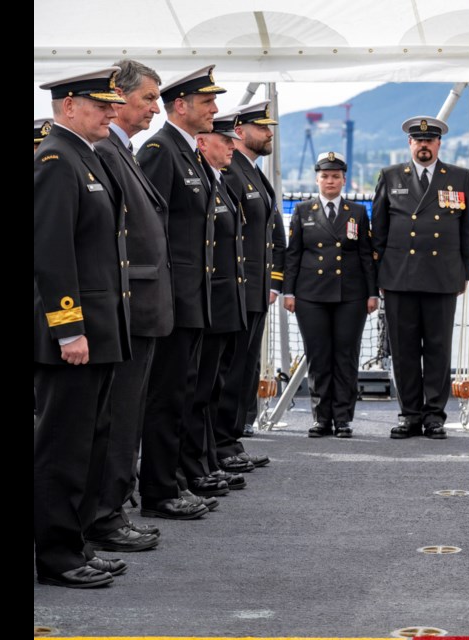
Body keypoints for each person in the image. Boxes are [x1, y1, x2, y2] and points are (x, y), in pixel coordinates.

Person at [34, 67, 131, 588]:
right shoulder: (55, 158)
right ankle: (54, 556)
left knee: (91, 442)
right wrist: (69, 327)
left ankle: (76, 543)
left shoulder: (85, 157)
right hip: (74, 334)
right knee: (62, 447)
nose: (111, 113)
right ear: (69, 105)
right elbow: (51, 251)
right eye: (101, 105)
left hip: (101, 328)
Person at [86, 59, 172, 552]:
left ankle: (112, 506)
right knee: (117, 418)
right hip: (124, 306)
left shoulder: (123, 151)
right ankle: (106, 514)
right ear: (119, 98)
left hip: (138, 305)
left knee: (126, 414)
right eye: (147, 99)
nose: (154, 109)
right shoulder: (104, 151)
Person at [136, 65, 227, 519]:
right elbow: (151, 233)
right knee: (165, 396)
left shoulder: (187, 152)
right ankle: (158, 490)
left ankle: (172, 480)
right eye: (208, 102)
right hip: (172, 298)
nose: (215, 109)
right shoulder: (159, 150)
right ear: (181, 106)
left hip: (193, 298)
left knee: (183, 393)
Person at [371, 116, 469, 439]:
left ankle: (434, 415)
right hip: (399, 277)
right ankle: (409, 414)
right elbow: (379, 230)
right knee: (403, 351)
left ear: (438, 144)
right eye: (418, 141)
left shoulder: (458, 178)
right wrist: (379, 275)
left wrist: (466, 274)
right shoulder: (391, 177)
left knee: (437, 348)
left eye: (429, 140)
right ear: (410, 144)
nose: (423, 145)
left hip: (442, 276)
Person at [211, 100, 284, 469]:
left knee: (245, 369)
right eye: (263, 127)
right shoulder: (232, 172)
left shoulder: (251, 171)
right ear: (240, 132)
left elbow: (271, 232)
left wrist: (272, 282)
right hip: (238, 289)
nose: (270, 133)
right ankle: (221, 443)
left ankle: (232, 439)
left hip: (255, 290)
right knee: (232, 368)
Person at [283, 152, 378, 437]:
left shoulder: (357, 212)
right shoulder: (303, 211)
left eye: (335, 176)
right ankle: (321, 418)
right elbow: (293, 255)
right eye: (325, 176)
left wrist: (373, 293)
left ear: (344, 180)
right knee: (318, 357)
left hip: (350, 295)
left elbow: (366, 256)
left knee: (346, 357)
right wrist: (288, 291)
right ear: (317, 179)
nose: (330, 181)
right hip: (310, 295)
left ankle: (343, 418)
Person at [186, 112, 248, 491]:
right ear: (203, 142)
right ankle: (193, 467)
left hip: (222, 301)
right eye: (224, 140)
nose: (232, 146)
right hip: (204, 300)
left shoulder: (219, 182)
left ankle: (205, 461)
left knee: (210, 389)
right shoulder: (197, 175)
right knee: (196, 391)